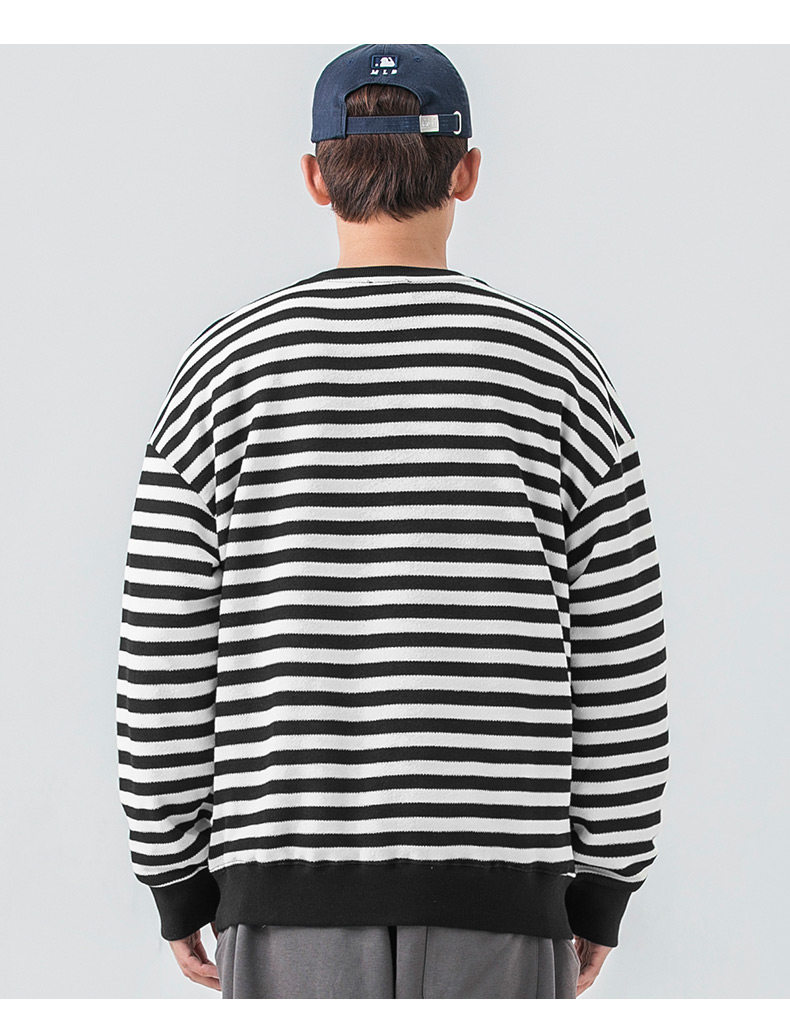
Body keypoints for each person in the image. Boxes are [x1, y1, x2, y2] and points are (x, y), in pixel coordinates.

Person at [116, 43, 670, 999]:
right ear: (468, 170)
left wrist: (173, 873)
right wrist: (607, 879)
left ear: (314, 177)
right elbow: (622, 654)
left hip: (283, 897)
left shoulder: (225, 371)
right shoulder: (557, 371)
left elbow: (162, 650)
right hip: (502, 896)